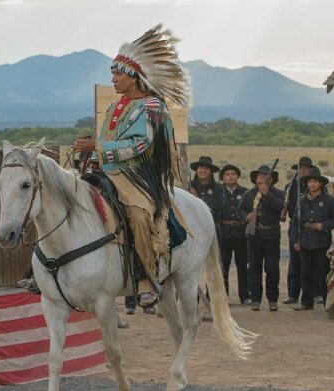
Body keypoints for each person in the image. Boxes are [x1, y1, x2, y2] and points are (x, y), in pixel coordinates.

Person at [72, 25, 190, 309]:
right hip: (108, 171)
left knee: (137, 214)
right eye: (112, 73)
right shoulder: (115, 106)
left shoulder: (153, 107)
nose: (113, 79)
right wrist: (90, 156)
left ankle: (147, 278)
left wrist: (98, 148)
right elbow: (106, 140)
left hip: (138, 176)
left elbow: (141, 146)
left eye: (118, 74)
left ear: (134, 77)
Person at [291, 167, 334, 311]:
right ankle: (306, 302)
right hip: (305, 241)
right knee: (305, 272)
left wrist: (324, 225)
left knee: (323, 273)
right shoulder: (301, 201)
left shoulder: (329, 200)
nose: (312, 184)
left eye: (315, 181)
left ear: (320, 183)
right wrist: (295, 240)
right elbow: (295, 222)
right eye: (310, 182)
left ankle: (328, 301)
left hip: (321, 242)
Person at [236, 164, 284, 312]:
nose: (263, 178)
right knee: (254, 269)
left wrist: (267, 194)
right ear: (255, 179)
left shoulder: (278, 193)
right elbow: (240, 211)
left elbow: (280, 208)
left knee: (272, 269)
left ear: (272, 179)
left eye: (266, 176)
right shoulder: (249, 194)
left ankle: (272, 300)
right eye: (260, 176)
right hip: (254, 236)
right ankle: (255, 299)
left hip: (272, 236)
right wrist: (246, 216)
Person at [282, 156, 314, 305]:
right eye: (301, 168)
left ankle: (315, 293)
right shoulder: (290, 187)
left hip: (312, 228)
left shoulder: (314, 185)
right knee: (294, 263)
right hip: (295, 226)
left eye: (306, 168)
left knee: (312, 263)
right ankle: (293, 294)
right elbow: (286, 207)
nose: (303, 171)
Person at [218, 164, 249, 303]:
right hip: (224, 232)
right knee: (223, 265)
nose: (231, 177)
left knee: (242, 265)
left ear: (237, 176)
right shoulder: (219, 191)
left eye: (233, 174)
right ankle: (223, 296)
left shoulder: (245, 192)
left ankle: (245, 296)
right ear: (223, 178)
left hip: (241, 233)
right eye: (227, 174)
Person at [189, 156, 224, 228]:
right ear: (197, 170)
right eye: (201, 168)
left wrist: (196, 198)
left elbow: (218, 205)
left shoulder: (218, 187)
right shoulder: (189, 186)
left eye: (206, 169)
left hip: (212, 225)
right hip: (192, 226)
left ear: (211, 172)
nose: (203, 171)